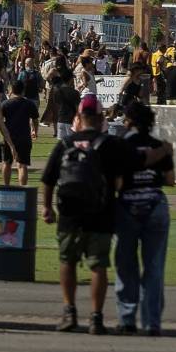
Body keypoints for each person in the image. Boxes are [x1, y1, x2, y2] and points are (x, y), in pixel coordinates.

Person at [42, 94, 124, 334]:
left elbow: (48, 180)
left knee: (67, 261)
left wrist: (47, 207)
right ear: (100, 118)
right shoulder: (108, 144)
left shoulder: (65, 144)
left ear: (78, 117)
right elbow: (119, 182)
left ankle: (69, 312)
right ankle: (96, 318)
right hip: (100, 213)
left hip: (69, 214)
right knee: (98, 266)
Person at [105, 95, 174, 335]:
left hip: (127, 206)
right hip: (155, 204)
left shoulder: (120, 144)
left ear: (129, 121)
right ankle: (152, 322)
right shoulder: (159, 145)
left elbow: (116, 180)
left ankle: (127, 319)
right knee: (154, 267)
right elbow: (170, 180)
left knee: (125, 265)